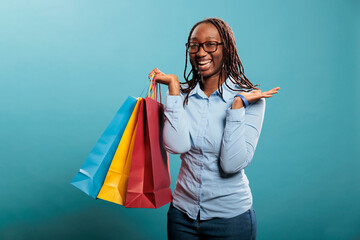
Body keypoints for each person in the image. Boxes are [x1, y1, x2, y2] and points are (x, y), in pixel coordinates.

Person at [148, 17, 280, 240]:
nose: (201, 52)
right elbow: (176, 146)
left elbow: (231, 164)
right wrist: (172, 87)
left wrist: (237, 107)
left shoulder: (252, 100)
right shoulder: (180, 94)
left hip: (231, 221)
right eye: (194, 45)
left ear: (226, 48)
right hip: (181, 216)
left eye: (210, 44)